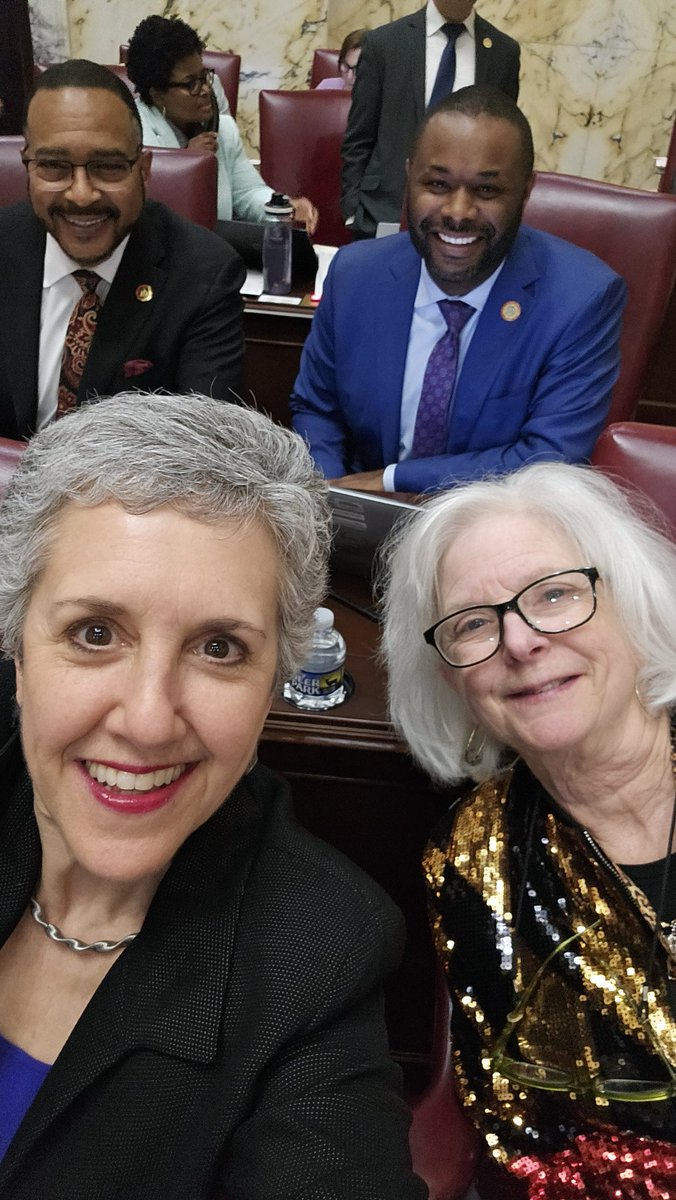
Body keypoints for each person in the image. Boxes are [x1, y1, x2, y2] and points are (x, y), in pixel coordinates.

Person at [0, 392, 426, 1199]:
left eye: (221, 647)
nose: (150, 719)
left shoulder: (320, 954)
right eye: (96, 632)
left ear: (273, 686)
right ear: (18, 649)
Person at [381, 461, 676, 1198]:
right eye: (475, 623)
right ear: (451, 676)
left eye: (555, 594)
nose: (520, 642)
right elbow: (526, 1137)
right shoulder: (470, 860)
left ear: (629, 602)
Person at [290, 87, 626, 495]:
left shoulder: (582, 298)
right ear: (410, 177)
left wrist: (392, 480)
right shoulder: (355, 273)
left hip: (495, 526)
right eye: (437, 184)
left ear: (525, 191)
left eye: (486, 191)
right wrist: (330, 493)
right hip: (356, 518)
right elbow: (317, 409)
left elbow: (550, 458)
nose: (458, 212)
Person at [0, 59, 247, 442]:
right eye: (53, 166)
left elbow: (200, 453)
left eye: (108, 167)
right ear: (27, 166)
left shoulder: (204, 276)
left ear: (144, 169)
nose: (81, 194)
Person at [341, 0, 520, 237]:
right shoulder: (384, 43)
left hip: (464, 220)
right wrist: (354, 210)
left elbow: (503, 144)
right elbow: (358, 138)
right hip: (384, 212)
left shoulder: (503, 52)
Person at [126, 15, 318, 233]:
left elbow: (248, 192)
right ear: (158, 95)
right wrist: (186, 166)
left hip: (212, 250)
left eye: (204, 76)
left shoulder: (222, 128)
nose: (206, 90)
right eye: (191, 84)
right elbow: (148, 216)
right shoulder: (133, 135)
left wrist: (285, 207)